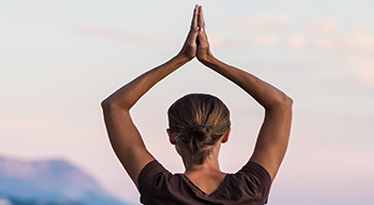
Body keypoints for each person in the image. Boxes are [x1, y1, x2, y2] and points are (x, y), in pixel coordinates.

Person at [101, 5, 293, 205]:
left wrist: (181, 58)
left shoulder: (159, 188)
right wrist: (211, 59)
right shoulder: (251, 189)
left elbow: (114, 106)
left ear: (172, 137)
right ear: (226, 134)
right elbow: (281, 104)